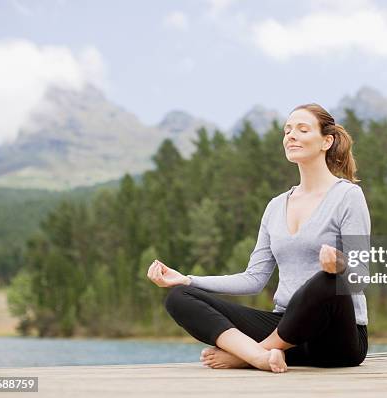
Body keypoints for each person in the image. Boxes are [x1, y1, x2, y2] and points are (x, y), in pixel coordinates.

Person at [147, 103, 371, 373]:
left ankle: (249, 355)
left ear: (327, 140)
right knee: (180, 297)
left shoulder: (347, 196)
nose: (291, 135)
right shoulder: (276, 206)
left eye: (302, 129)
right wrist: (187, 279)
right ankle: (260, 356)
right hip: (289, 333)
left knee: (328, 281)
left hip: (337, 341)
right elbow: (254, 279)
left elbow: (361, 276)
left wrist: (340, 266)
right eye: (287, 130)